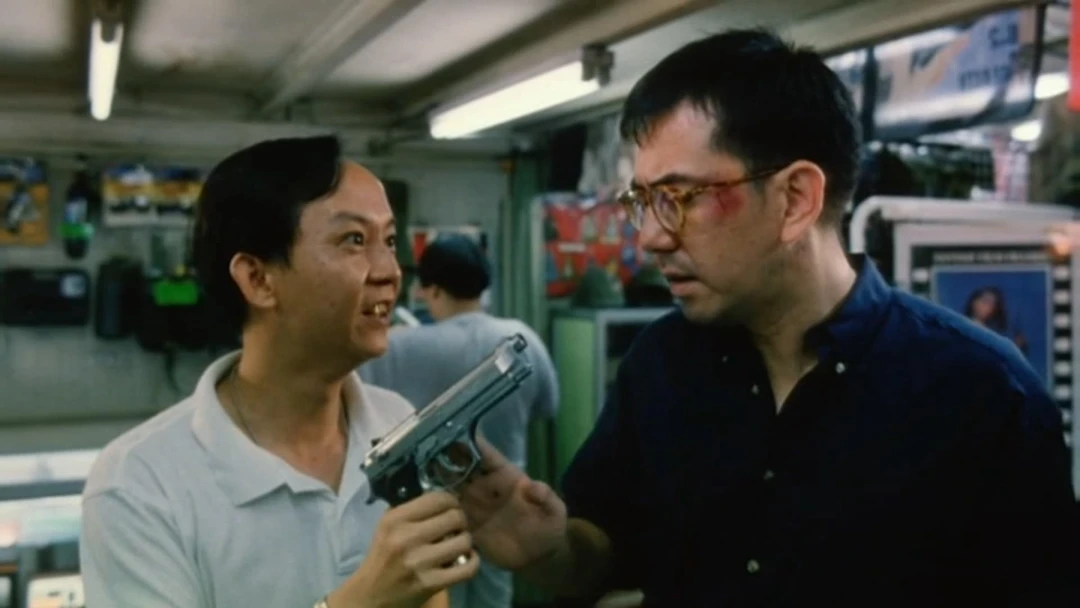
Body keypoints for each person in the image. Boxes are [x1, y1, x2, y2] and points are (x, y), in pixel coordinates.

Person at [454, 29, 1080, 607]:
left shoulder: (985, 396)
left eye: (677, 198)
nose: (649, 238)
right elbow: (604, 553)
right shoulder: (663, 365)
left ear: (795, 199)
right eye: (642, 201)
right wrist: (547, 550)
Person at [79, 136, 479, 608]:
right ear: (258, 279)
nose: (390, 271)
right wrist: (363, 601)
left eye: (389, 241)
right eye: (354, 240)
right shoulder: (139, 485)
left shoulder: (395, 422)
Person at [360, 233, 559, 608]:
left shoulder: (398, 346)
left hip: (428, 516)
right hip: (502, 506)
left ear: (431, 290)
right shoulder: (522, 338)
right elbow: (546, 408)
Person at [964, 286, 1029, 355]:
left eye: (992, 305)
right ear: (974, 302)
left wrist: (1016, 348)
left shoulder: (993, 337)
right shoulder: (960, 326)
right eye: (985, 301)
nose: (987, 307)